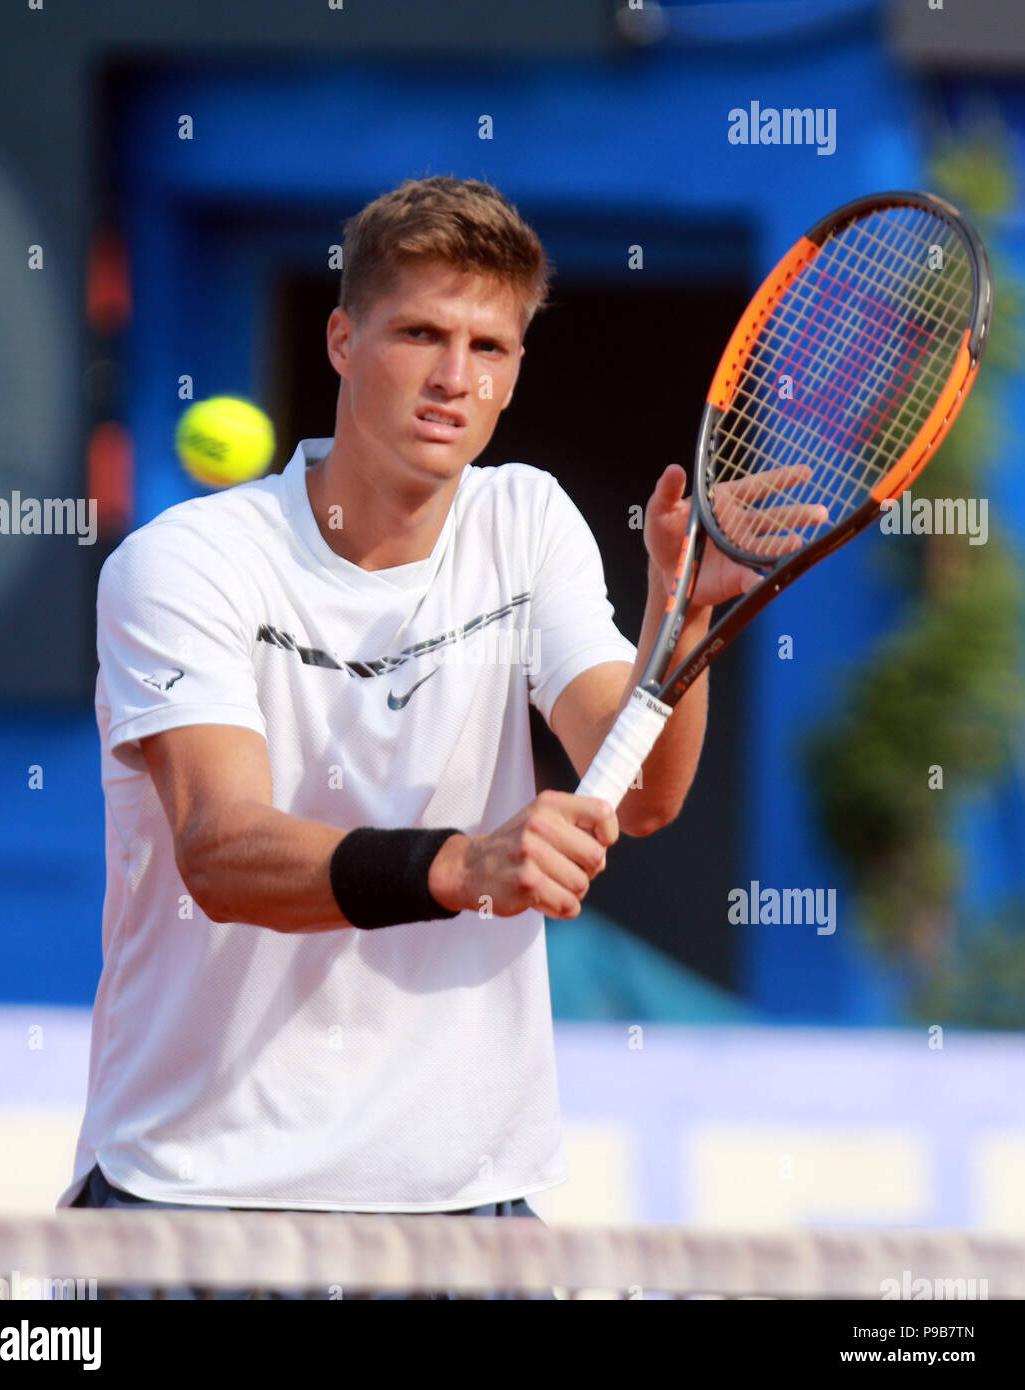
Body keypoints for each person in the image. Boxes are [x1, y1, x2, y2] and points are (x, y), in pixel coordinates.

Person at [59, 175, 759, 1298]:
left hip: (465, 1210)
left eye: (490, 345)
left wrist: (685, 618)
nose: (453, 378)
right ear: (343, 338)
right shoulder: (186, 562)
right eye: (420, 333)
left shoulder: (527, 524)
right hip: (195, 1200)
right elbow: (223, 852)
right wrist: (463, 862)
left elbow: (639, 797)